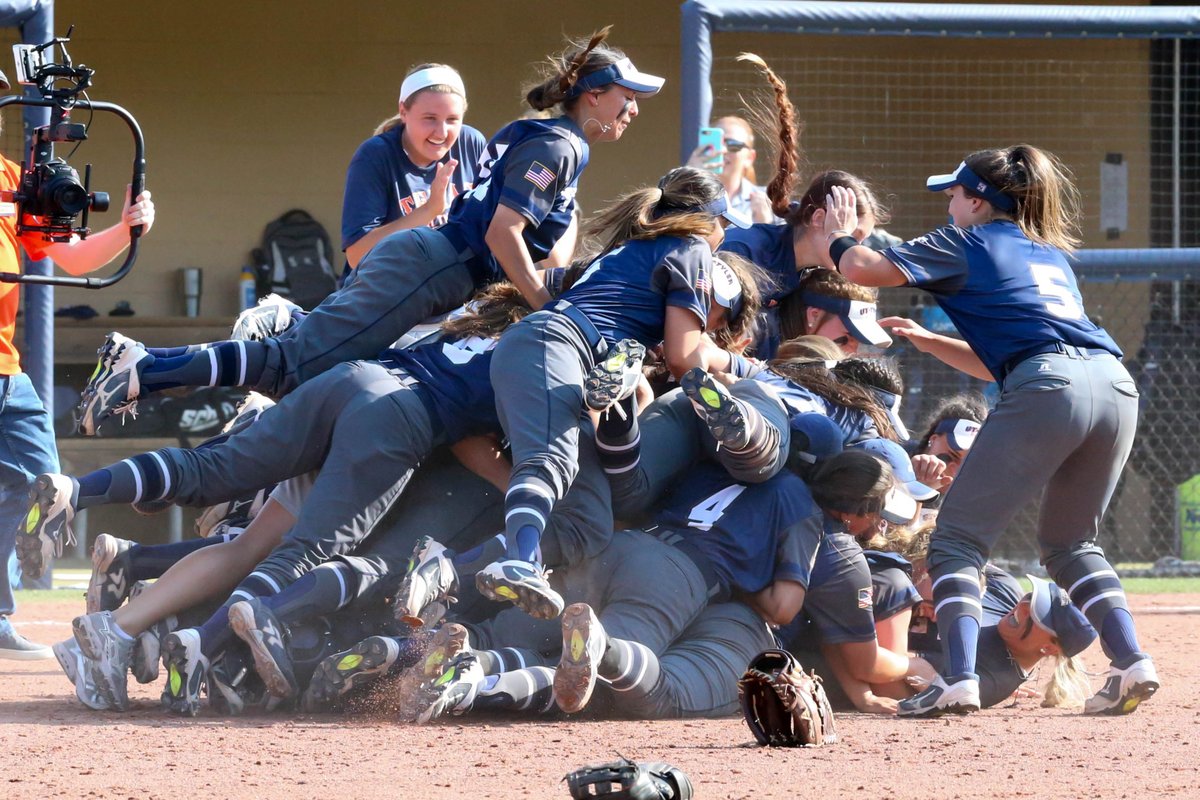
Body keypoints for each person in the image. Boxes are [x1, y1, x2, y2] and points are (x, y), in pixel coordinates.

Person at [75, 27, 663, 435]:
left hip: (436, 273)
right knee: (294, 364)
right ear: (592, 94)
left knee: (302, 366)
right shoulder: (559, 143)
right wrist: (541, 302)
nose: (633, 109)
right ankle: (144, 367)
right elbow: (504, 234)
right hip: (429, 267)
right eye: (626, 96)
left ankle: (158, 369)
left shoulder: (548, 139)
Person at [821, 144, 1157, 716]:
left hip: (1050, 387)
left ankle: (958, 679)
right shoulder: (1049, 254)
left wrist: (840, 234)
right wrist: (929, 342)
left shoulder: (967, 239)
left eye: (954, 193)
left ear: (979, 202)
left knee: (955, 542)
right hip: (1113, 386)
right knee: (1072, 543)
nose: (949, 203)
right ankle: (1131, 664)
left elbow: (858, 268)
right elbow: (1017, 358)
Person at [482, 166, 760, 620]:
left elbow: (538, 283)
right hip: (558, 345)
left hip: (548, 345)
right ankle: (521, 561)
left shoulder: (630, 248)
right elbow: (683, 359)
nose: (723, 237)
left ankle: (447, 569)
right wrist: (736, 369)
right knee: (552, 460)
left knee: (586, 523)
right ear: (707, 221)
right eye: (724, 224)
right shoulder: (691, 249)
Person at [0, 65, 155, 659]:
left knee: (41, 485)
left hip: (6, 373)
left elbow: (71, 257)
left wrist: (125, 228)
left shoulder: (15, 179)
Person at [713, 56, 891, 359]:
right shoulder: (747, 251)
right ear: (819, 218)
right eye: (852, 234)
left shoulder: (805, 272)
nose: (856, 248)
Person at [341, 63, 487, 270]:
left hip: (454, 284)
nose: (441, 133)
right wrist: (428, 210)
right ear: (403, 111)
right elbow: (357, 256)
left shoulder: (471, 142)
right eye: (430, 119)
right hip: (385, 290)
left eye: (452, 120)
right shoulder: (375, 156)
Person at [687, 115, 774, 224]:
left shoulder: (768, 200)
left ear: (749, 157)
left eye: (732, 145)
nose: (723, 150)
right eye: (717, 143)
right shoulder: (688, 196)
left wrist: (766, 225)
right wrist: (688, 177)